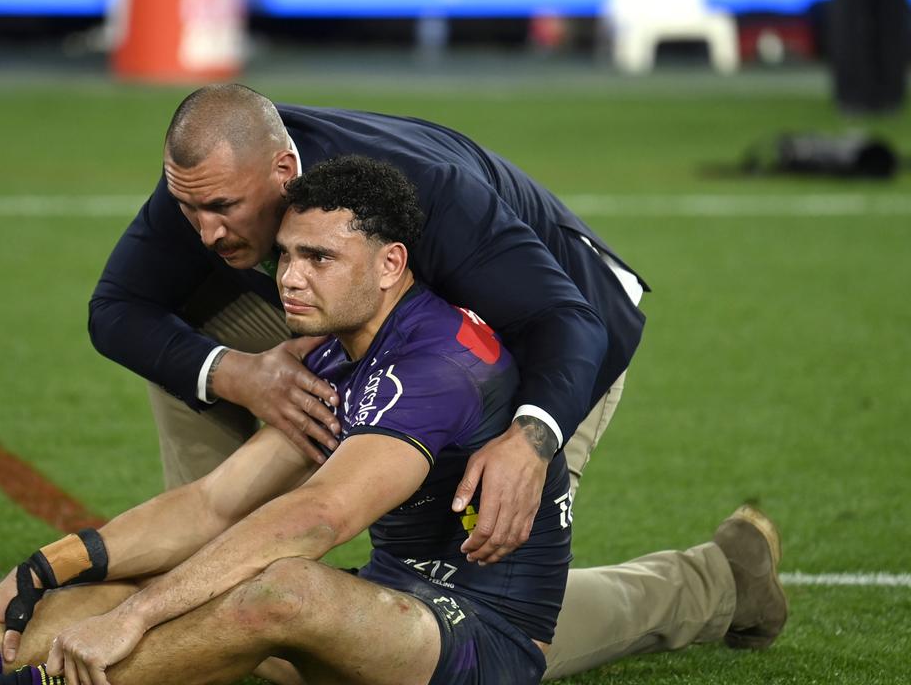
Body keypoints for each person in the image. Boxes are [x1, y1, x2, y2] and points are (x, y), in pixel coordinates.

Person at [0, 156, 576, 685]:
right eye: (286, 255)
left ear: (391, 265)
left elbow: (318, 517)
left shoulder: (436, 364)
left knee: (276, 586)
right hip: (384, 608)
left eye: (319, 259)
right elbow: (216, 503)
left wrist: (139, 619)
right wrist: (60, 559)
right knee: (85, 600)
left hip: (476, 642)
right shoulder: (331, 351)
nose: (289, 278)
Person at [87, 84, 785, 676]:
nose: (203, 232)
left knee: (477, 609)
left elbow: (564, 322)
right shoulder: (213, 174)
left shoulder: (424, 192)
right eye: (191, 210)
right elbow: (117, 309)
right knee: (187, 348)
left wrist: (529, 439)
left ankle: (715, 583)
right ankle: (210, 582)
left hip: (544, 348)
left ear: (280, 171)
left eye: (223, 211)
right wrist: (239, 374)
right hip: (388, 340)